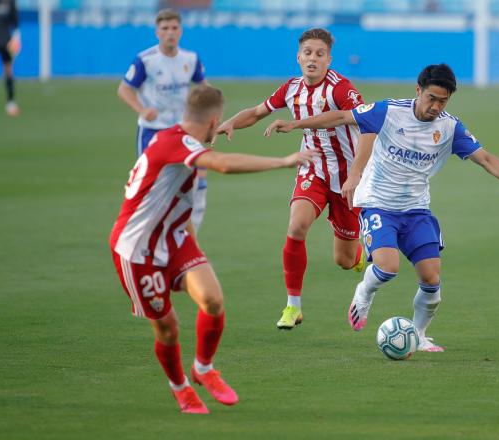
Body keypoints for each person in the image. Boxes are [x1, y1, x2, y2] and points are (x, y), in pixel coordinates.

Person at [265, 63, 499, 351]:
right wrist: (295, 124)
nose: (436, 106)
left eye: (443, 101)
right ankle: (364, 292)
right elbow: (341, 116)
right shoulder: (389, 111)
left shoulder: (450, 127)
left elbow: (486, 159)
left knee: (432, 280)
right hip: (378, 205)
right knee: (387, 268)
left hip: (416, 211)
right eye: (431, 98)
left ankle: (419, 334)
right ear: (418, 91)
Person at [109, 85, 314, 414]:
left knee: (213, 300)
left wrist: (193, 251)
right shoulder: (175, 144)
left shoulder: (177, 138)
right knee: (168, 328)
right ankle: (181, 390)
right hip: (137, 250)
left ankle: (203, 368)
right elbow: (224, 164)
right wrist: (284, 160)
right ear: (213, 120)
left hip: (175, 236)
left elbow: (175, 200)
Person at [216, 28, 366, 330]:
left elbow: (366, 124)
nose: (313, 58)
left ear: (329, 60)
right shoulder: (291, 88)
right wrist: (232, 121)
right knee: (297, 226)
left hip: (348, 177)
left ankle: (359, 255)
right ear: (298, 57)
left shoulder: (341, 90)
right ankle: (292, 306)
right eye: (307, 53)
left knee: (344, 260)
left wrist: (357, 173)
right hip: (312, 169)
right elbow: (258, 112)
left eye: (319, 54)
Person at [117, 8, 209, 233]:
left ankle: (188, 238)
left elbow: (203, 86)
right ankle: (146, 232)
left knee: (195, 181)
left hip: (183, 131)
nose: (170, 33)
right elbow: (124, 89)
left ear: (181, 31)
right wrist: (141, 108)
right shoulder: (146, 60)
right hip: (153, 131)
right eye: (165, 28)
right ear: (157, 32)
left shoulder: (190, 58)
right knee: (153, 186)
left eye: (174, 28)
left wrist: (207, 108)